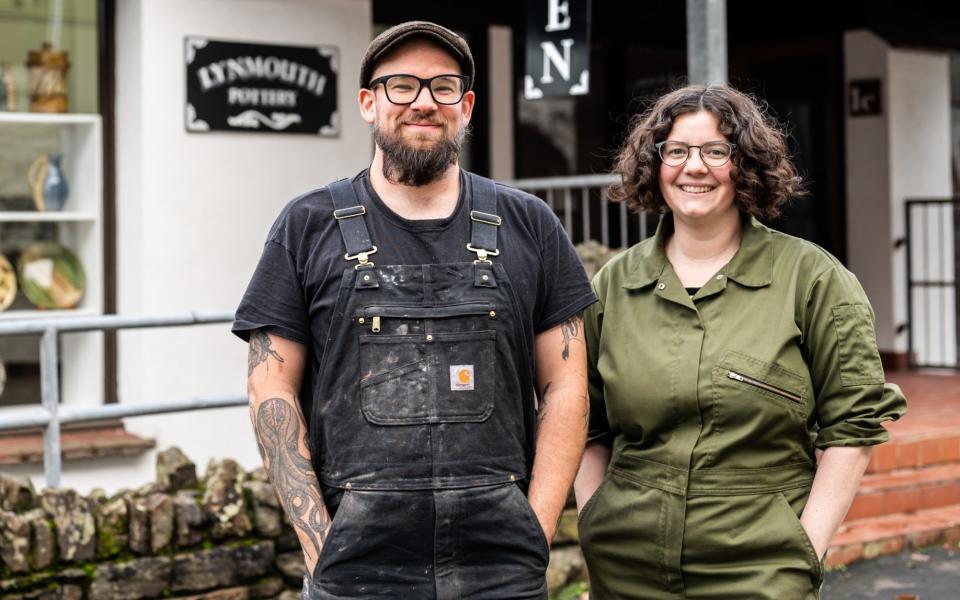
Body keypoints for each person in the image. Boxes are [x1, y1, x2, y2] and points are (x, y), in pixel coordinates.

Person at [233, 21, 597, 600]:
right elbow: (269, 388)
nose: (423, 102)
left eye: (443, 87)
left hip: (501, 570)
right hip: (355, 573)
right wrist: (318, 546)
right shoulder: (306, 226)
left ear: (467, 105)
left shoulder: (530, 225)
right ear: (368, 103)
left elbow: (568, 385)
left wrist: (538, 530)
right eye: (401, 85)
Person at [574, 84, 907, 600]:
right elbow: (584, 421)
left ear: (745, 164)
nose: (694, 167)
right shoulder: (612, 286)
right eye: (677, 151)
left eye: (716, 151)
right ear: (654, 164)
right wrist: (595, 518)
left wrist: (805, 549)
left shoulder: (811, 279)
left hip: (761, 570)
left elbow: (854, 426)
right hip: (626, 568)